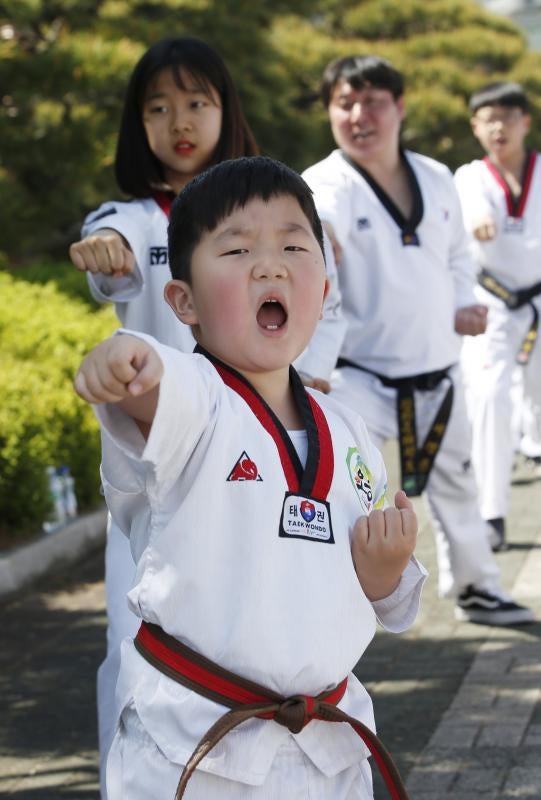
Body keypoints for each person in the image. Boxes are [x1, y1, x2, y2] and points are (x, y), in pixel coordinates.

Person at [74, 155, 426, 800]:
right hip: (196, 748)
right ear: (183, 301)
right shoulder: (198, 401)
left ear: (322, 290)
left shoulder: (347, 432)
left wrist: (383, 568)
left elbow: (384, 596)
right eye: (236, 249)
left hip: (328, 751)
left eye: (295, 245)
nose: (270, 264)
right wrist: (126, 360)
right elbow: (157, 384)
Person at [68, 38, 345, 794]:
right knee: (140, 631)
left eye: (196, 102)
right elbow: (116, 250)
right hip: (163, 463)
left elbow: (326, 300)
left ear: (228, 111)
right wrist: (107, 254)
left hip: (259, 456)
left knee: (264, 623)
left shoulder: (263, 204)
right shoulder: (128, 218)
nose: (178, 121)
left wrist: (309, 379)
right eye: (157, 109)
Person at [302, 55, 534, 626]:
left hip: (438, 370)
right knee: (343, 492)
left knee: (459, 483)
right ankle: (331, 611)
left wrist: (462, 302)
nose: (359, 115)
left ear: (400, 108)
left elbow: (457, 256)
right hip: (359, 377)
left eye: (373, 101)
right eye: (345, 103)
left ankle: (478, 587)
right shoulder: (321, 185)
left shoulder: (435, 176)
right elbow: (318, 242)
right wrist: (316, 234)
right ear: (330, 112)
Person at [454, 81, 541, 550]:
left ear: (525, 121)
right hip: (491, 306)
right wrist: (476, 219)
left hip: (540, 304)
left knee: (534, 402)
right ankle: (492, 513)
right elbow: (471, 211)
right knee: (489, 399)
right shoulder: (469, 177)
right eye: (488, 119)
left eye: (507, 117)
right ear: (476, 127)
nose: (498, 127)